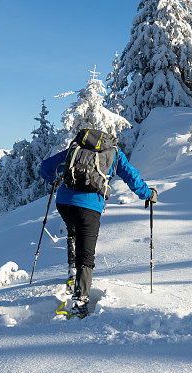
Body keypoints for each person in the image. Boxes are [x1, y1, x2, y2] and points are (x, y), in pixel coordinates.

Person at [40, 132, 157, 318]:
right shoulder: (115, 154)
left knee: (73, 231)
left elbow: (45, 167)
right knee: (86, 253)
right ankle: (80, 301)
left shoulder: (75, 148)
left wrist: (53, 180)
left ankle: (72, 273)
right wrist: (148, 194)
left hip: (64, 202)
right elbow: (132, 177)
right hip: (89, 206)